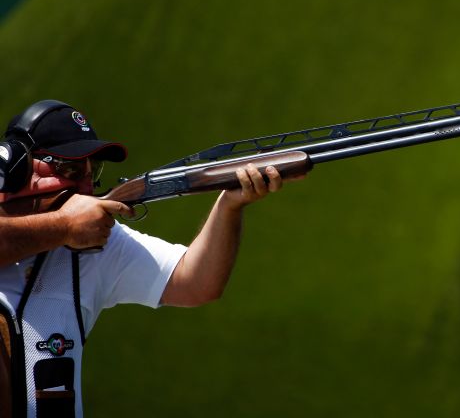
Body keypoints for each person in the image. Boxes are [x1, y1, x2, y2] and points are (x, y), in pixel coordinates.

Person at [0, 100, 299, 417]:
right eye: (71, 170)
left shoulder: (92, 244)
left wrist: (230, 205)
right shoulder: (73, 229)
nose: (86, 187)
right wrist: (64, 226)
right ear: (14, 166)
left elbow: (195, 283)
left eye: (94, 171)